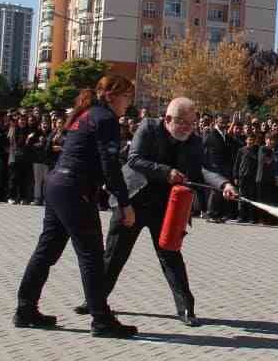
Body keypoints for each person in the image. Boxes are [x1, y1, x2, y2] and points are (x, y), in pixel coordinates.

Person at [13, 75, 139, 338]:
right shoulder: (105, 120)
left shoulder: (87, 114)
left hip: (58, 184)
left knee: (46, 250)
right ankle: (101, 319)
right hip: (75, 189)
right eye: (128, 97)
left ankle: (25, 308)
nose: (129, 103)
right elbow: (110, 165)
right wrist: (124, 203)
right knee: (92, 254)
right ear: (112, 96)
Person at [100, 97, 239, 325]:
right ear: (167, 119)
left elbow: (204, 168)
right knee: (114, 254)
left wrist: (224, 185)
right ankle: (95, 300)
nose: (187, 128)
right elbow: (134, 159)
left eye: (191, 123)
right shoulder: (148, 128)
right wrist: (166, 172)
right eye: (182, 122)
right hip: (132, 200)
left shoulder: (194, 141)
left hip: (166, 207)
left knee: (171, 256)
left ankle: (186, 309)